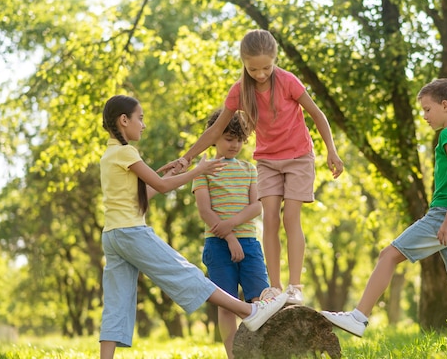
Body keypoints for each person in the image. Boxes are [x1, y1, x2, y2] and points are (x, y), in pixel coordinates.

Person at [160, 29, 344, 305]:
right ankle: (276, 286)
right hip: (268, 160)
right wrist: (186, 158)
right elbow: (215, 132)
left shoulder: (287, 81)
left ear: (275, 60)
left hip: (298, 157)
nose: (260, 74)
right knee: (269, 217)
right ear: (244, 62)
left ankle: (295, 285)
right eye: (253, 68)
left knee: (290, 217)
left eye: (266, 67)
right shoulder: (239, 91)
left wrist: (332, 150)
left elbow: (317, 115)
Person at [98, 95, 287, 359]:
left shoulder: (109, 155)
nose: (142, 125)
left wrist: (171, 173)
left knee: (116, 303)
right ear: (124, 120)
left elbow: (141, 197)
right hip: (131, 232)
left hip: (112, 235)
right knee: (186, 273)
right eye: (140, 119)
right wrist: (199, 170)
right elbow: (163, 189)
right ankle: (249, 311)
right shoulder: (127, 152)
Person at [321, 78, 447, 353]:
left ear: (445, 104)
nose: (425, 117)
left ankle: (358, 317)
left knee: (388, 255)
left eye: (428, 110)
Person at [191, 108, 271, 359]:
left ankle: (261, 352)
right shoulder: (202, 169)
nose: (235, 144)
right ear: (214, 137)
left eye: (239, 139)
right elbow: (205, 210)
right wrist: (228, 236)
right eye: (228, 138)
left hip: (249, 243)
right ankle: (233, 355)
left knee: (259, 301)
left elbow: (257, 206)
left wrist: (233, 225)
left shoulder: (249, 169)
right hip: (218, 245)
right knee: (226, 304)